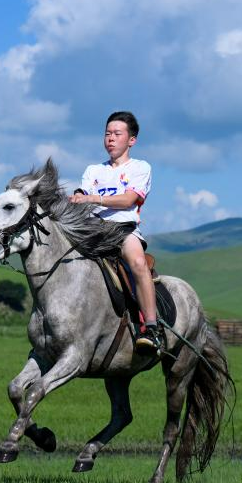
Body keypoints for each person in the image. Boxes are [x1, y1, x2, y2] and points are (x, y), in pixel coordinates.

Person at [69, 111, 162, 354]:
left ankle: (151, 327)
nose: (110, 138)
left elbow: (129, 199)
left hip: (122, 230)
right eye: (107, 133)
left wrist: (91, 198)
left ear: (131, 140)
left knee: (138, 262)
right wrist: (78, 197)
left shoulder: (140, 168)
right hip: (92, 231)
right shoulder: (93, 170)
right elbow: (81, 192)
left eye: (117, 134)